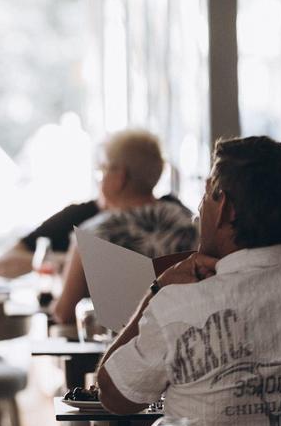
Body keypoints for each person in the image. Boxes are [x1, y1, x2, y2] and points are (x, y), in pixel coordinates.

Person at [96, 136, 281, 426]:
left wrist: (156, 291)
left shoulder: (176, 305)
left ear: (223, 206)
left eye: (206, 195)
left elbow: (114, 396)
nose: (199, 210)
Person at [52, 129, 197, 323]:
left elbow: (64, 314)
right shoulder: (189, 223)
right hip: (186, 341)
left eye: (102, 170)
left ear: (119, 176)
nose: (100, 178)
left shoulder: (93, 234)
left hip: (121, 348)